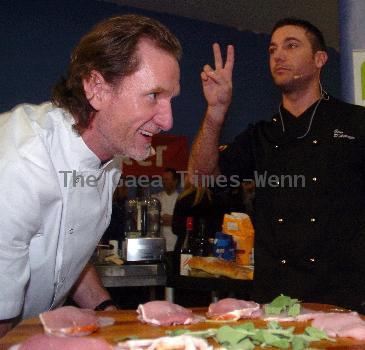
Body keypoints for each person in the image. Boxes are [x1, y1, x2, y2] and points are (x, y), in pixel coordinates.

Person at [0, 14, 181, 336]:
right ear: (96, 88)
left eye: (170, 99)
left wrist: (107, 312)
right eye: (154, 95)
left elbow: (69, 250)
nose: (167, 121)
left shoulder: (110, 160)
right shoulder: (20, 163)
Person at [189, 17, 365, 312]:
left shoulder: (356, 123)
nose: (278, 55)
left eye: (291, 46)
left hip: (345, 298)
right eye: (272, 50)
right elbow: (200, 177)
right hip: (274, 299)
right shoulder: (261, 134)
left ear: (319, 59)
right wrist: (216, 111)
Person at [153, 168, 180, 251]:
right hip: (159, 245)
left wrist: (173, 220)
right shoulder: (156, 198)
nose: (164, 182)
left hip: (175, 244)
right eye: (163, 179)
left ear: (175, 181)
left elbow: (182, 221)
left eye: (167, 179)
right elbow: (152, 219)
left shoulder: (181, 199)